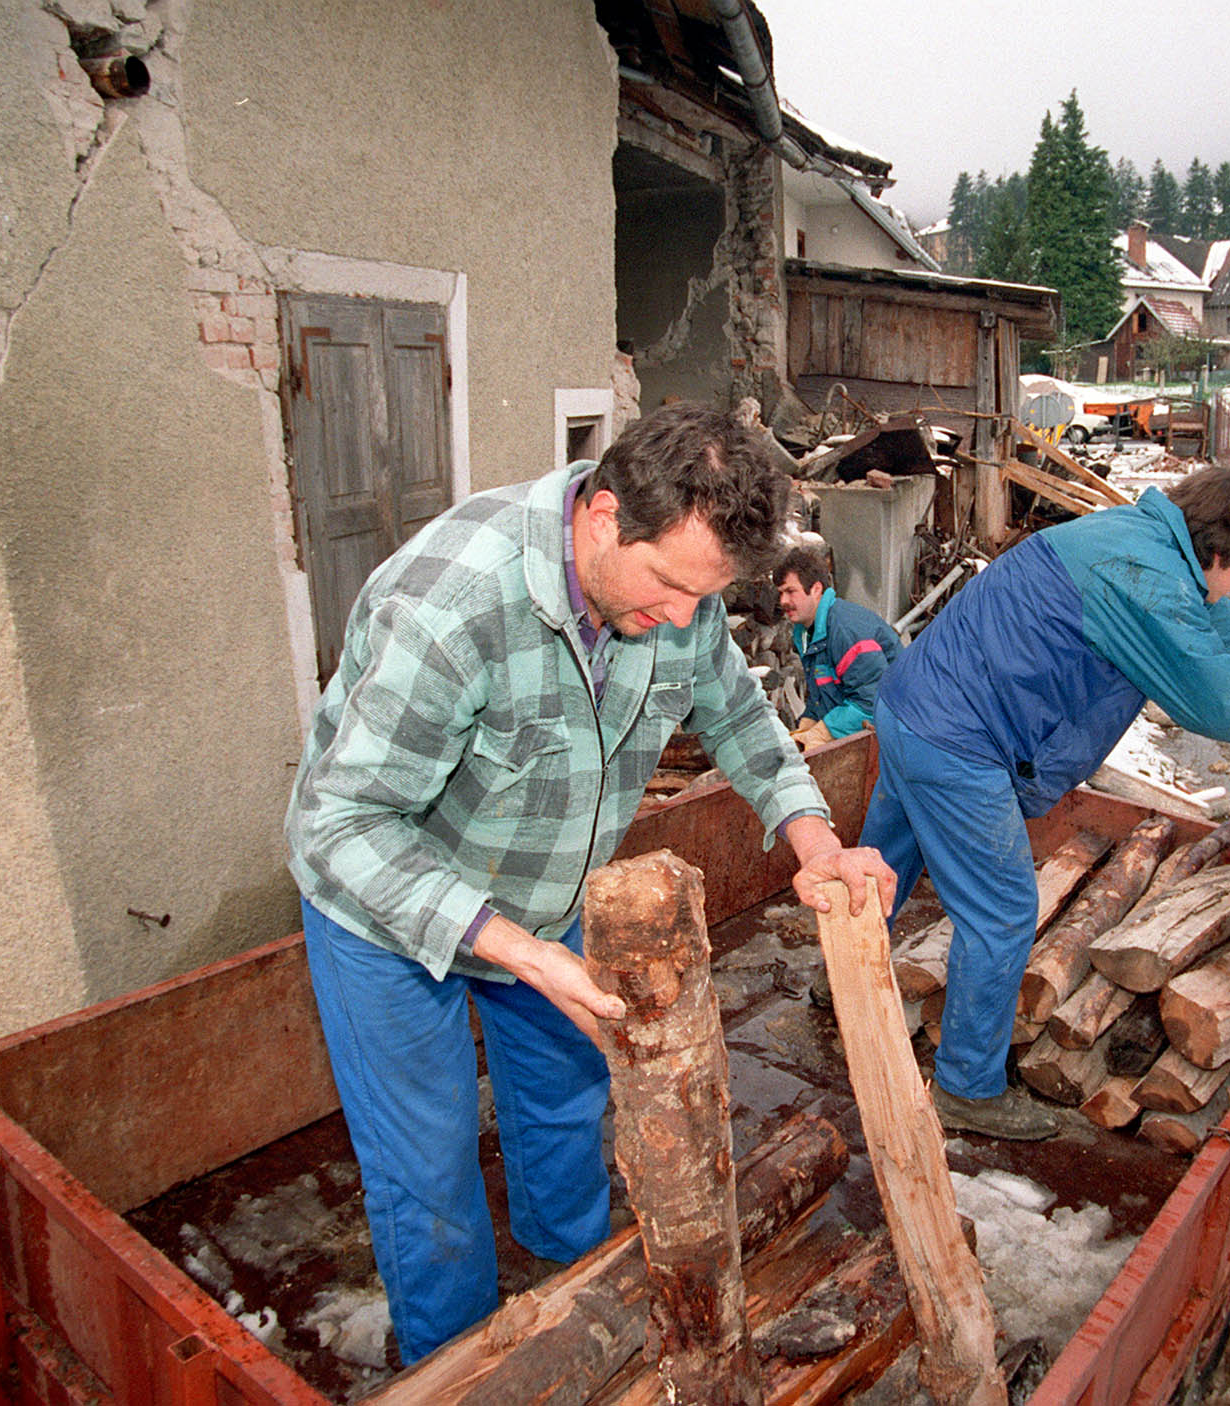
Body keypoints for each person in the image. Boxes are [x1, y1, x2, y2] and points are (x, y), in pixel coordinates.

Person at [284, 403, 894, 1364]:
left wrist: (816, 842)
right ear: (604, 516)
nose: (684, 621)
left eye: (708, 598)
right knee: (429, 1170)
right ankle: (456, 1368)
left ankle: (574, 1296)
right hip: (385, 913)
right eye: (667, 588)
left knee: (565, 1105)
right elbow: (340, 826)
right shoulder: (453, 606)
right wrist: (522, 954)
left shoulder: (674, 594)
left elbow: (739, 718)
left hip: (542, 896)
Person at [859, 466, 1230, 1140]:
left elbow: (1223, 633)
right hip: (957, 744)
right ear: (1218, 551)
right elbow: (1209, 695)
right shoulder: (1148, 578)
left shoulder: (1144, 541)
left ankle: (842, 984)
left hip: (914, 707)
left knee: (886, 859)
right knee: (1003, 913)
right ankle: (967, 1091)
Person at [775, 542, 901, 750]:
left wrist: (823, 732)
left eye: (790, 591)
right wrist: (809, 722)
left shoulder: (847, 631)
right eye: (780, 593)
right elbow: (823, 696)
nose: (783, 601)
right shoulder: (809, 633)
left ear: (816, 589)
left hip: (899, 735)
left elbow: (873, 702)